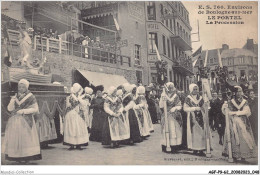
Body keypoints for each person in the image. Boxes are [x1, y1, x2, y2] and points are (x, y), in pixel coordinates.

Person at [2, 79, 42, 163]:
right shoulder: (15, 96)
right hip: (15, 121)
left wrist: (24, 111)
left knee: (26, 139)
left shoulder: (31, 96)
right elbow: (10, 109)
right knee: (16, 139)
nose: (20, 88)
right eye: (19, 87)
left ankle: (27, 157)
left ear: (26, 87)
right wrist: (12, 100)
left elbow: (35, 109)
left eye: (23, 87)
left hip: (26, 121)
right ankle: (17, 157)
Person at [222, 86, 257, 162]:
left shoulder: (244, 101)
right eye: (238, 91)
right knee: (233, 137)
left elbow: (247, 111)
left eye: (240, 91)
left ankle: (243, 156)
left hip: (243, 122)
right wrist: (225, 108)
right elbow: (226, 112)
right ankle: (234, 155)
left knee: (244, 137)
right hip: (233, 122)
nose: (239, 93)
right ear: (234, 93)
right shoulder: (230, 101)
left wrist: (235, 113)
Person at [63, 83, 89, 150]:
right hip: (71, 114)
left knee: (79, 128)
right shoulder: (71, 96)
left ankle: (79, 144)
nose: (79, 91)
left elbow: (84, 104)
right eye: (78, 89)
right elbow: (69, 105)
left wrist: (80, 99)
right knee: (72, 128)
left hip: (79, 114)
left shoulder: (81, 96)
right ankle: (71, 144)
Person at [184, 84, 206, 156]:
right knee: (194, 133)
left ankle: (202, 148)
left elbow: (204, 107)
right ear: (191, 90)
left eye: (196, 89)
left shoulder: (201, 98)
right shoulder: (188, 98)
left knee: (201, 132)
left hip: (201, 117)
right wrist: (194, 108)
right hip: (192, 117)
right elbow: (185, 108)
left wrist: (205, 106)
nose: (196, 91)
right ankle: (195, 149)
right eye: (194, 89)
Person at [160, 82, 183, 153]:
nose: (170, 89)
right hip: (166, 115)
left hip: (174, 115)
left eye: (171, 87)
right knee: (166, 129)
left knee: (175, 130)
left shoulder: (176, 96)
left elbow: (179, 105)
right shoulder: (163, 95)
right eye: (169, 87)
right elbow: (161, 106)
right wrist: (162, 100)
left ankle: (175, 146)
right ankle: (166, 145)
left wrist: (175, 108)